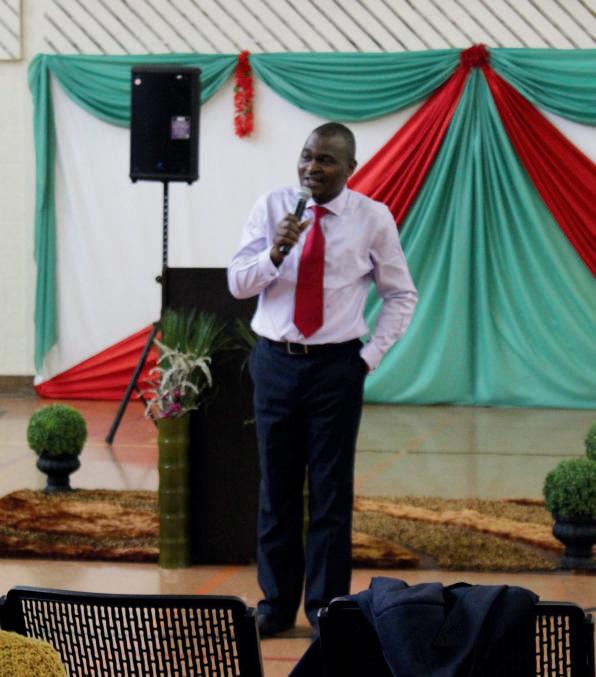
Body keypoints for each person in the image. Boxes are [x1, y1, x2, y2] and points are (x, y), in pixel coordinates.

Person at [227, 122, 418, 638]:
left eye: (326, 160)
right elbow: (238, 283)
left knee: (331, 493)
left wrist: (369, 357)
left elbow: (401, 294)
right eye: (307, 156)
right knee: (277, 489)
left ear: (350, 168)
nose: (312, 167)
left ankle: (326, 608)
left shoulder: (372, 218)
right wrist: (274, 253)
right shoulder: (272, 207)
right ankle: (275, 605)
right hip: (275, 362)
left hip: (336, 368)